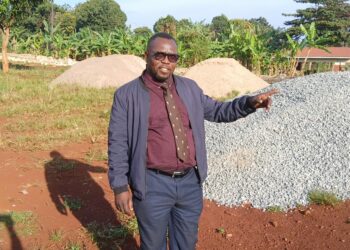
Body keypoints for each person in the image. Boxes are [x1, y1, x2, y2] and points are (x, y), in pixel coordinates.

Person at [108, 32, 278, 250]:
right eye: (159, 56)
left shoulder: (189, 89)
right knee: (152, 245)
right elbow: (118, 143)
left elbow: (219, 111)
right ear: (147, 56)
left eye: (172, 57)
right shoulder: (127, 95)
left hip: (189, 183)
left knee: (186, 244)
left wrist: (249, 103)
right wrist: (120, 186)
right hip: (152, 184)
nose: (166, 62)